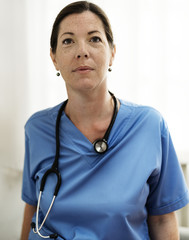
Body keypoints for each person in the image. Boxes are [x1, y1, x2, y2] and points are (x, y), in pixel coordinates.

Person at [20, 1, 189, 239]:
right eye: (68, 41)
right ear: (54, 58)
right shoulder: (37, 129)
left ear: (112, 53)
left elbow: (162, 219)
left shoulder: (149, 125)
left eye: (94, 39)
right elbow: (33, 210)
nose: (82, 51)